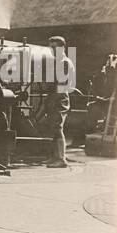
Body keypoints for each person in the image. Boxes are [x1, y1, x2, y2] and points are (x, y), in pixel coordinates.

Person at [40, 35, 73, 168]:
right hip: (54, 97)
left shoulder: (64, 62)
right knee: (54, 128)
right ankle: (55, 157)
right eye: (51, 47)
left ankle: (61, 159)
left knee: (58, 128)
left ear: (62, 47)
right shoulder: (57, 62)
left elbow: (61, 86)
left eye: (55, 47)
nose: (52, 50)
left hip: (60, 98)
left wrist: (51, 101)